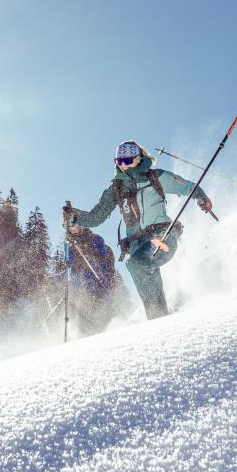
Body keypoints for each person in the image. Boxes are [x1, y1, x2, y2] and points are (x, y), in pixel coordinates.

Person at [64, 141, 212, 319]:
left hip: (163, 236)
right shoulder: (116, 188)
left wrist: (201, 197)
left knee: (137, 264)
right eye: (118, 161)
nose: (122, 165)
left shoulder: (155, 177)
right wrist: (75, 217)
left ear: (138, 158)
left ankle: (157, 316)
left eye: (126, 160)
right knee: (140, 265)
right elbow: (96, 217)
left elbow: (187, 186)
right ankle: (161, 318)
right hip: (138, 246)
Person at [62, 221, 121, 336]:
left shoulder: (95, 239)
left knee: (99, 315)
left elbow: (102, 261)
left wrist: (86, 251)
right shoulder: (68, 243)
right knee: (84, 316)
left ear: (81, 224)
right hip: (81, 287)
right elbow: (69, 263)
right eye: (68, 226)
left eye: (73, 225)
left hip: (98, 282)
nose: (72, 229)